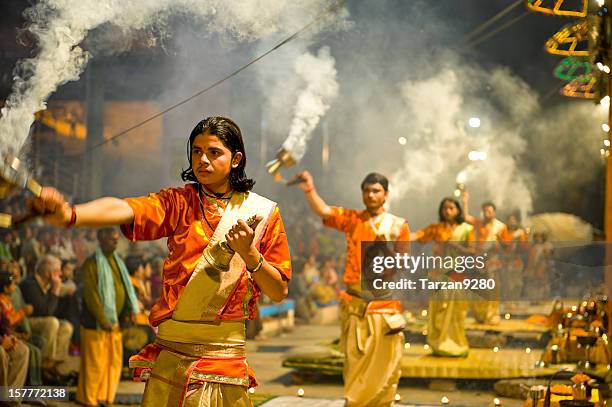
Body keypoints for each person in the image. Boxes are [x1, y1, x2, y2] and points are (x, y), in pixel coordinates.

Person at [32, 116, 291, 407]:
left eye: (214, 152)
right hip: (172, 353)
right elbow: (126, 208)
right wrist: (71, 214)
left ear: (236, 159)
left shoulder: (264, 213)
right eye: (196, 151)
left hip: (224, 359)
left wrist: (250, 254)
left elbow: (279, 291)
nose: (202, 160)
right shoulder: (179, 203)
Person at [297, 170, 409, 407]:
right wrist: (309, 189)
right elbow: (324, 211)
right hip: (355, 304)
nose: (371, 194)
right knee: (356, 363)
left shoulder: (398, 226)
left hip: (382, 305)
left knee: (383, 365)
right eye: (367, 190)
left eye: (376, 190)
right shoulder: (353, 219)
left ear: (386, 194)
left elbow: (402, 264)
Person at [75, 227, 139, 406]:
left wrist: (129, 312)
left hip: (115, 323)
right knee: (95, 364)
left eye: (117, 239)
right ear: (101, 239)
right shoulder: (92, 263)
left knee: (113, 362)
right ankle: (89, 399)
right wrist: (103, 320)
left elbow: (125, 290)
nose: (116, 242)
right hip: (95, 324)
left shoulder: (117, 262)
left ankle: (104, 397)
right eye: (112, 239)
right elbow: (91, 295)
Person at [412, 197, 474, 357]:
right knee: (439, 309)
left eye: (451, 208)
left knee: (456, 310)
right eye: (445, 208)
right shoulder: (436, 228)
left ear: (458, 210)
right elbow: (418, 236)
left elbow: (473, 251)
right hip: (439, 273)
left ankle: (455, 343)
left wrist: (456, 246)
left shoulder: (466, 229)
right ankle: (439, 342)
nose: (448, 211)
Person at [462, 193, 510, 325]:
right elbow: (466, 217)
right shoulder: (478, 223)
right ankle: (480, 315)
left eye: (489, 211)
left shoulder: (500, 227)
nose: (487, 213)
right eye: (485, 211)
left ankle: (492, 315)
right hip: (478, 261)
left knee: (492, 290)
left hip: (492, 262)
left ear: (494, 212)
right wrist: (465, 201)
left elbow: (508, 246)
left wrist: (498, 245)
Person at [19, 254, 73, 370]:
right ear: (47, 271)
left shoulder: (47, 284)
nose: (60, 274)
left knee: (66, 326)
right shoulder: (30, 284)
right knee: (51, 322)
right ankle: (43, 364)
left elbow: (56, 309)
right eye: (57, 271)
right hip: (26, 322)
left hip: (41, 320)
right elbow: (46, 312)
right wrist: (55, 290)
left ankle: (53, 365)